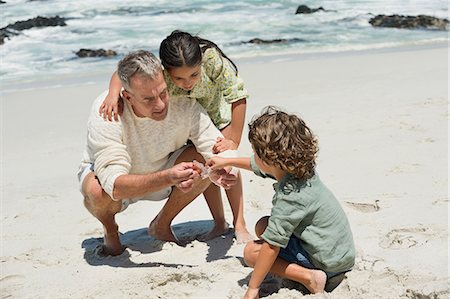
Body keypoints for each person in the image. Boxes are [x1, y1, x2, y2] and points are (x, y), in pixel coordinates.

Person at [78, 50, 241, 256]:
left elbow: (214, 146)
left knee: (203, 160)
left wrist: (224, 170)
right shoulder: (107, 110)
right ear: (127, 96)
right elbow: (114, 186)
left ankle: (161, 224)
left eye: (162, 93)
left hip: (163, 168)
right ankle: (110, 230)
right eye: (148, 99)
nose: (161, 104)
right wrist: (167, 177)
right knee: (96, 191)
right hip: (118, 182)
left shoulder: (182, 99)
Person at [206, 107, 355, 298]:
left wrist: (253, 288)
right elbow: (257, 164)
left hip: (326, 263)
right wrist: (225, 162)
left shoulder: (290, 196)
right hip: (339, 253)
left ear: (269, 159)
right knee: (263, 225)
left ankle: (309, 277)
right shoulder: (301, 169)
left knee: (252, 252)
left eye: (256, 153)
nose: (253, 157)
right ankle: (307, 271)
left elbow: (271, 246)